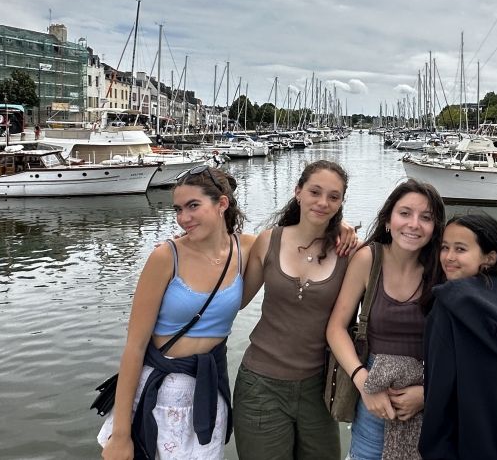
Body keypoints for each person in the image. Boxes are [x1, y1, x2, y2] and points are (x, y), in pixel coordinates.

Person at [97, 166, 249, 460]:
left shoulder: (245, 249)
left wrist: (340, 230)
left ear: (222, 204)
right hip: (158, 395)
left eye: (193, 206)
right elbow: (135, 346)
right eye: (178, 209)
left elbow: (293, 238)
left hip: (207, 394)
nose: (183, 218)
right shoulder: (166, 257)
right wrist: (121, 435)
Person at [234, 160, 353, 460]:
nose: (323, 202)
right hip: (260, 384)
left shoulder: (350, 253)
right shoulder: (267, 242)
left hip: (319, 387)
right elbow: (235, 301)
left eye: (333, 197)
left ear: (341, 202)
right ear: (298, 192)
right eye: (315, 192)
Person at [327, 178, 445, 460]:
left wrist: (428, 393)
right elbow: (336, 328)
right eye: (405, 213)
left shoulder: (443, 266)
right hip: (374, 391)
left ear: (435, 227)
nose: (414, 224)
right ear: (388, 220)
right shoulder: (369, 258)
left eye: (426, 217)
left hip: (430, 391)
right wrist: (363, 382)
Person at [419, 213, 497, 460]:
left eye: (460, 249)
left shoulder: (447, 309)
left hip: (464, 446)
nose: (448, 257)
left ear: (489, 257)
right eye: (445, 248)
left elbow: (439, 395)